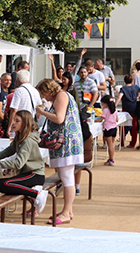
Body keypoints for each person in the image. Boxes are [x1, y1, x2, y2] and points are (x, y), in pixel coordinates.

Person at [0, 110, 48, 214]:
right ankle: (34, 192)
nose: (13, 123)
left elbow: (18, 164)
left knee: (4, 184)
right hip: (27, 173)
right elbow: (9, 150)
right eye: (14, 120)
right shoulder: (20, 136)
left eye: (17, 121)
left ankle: (36, 193)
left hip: (34, 174)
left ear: (24, 123)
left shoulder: (27, 140)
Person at [35, 80, 84, 224]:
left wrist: (42, 112)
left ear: (49, 90)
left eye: (43, 93)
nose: (44, 97)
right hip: (67, 141)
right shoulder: (62, 95)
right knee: (67, 177)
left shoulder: (61, 96)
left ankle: (66, 212)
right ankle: (68, 211)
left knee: (67, 177)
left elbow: (59, 118)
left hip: (66, 142)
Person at [117, 74, 140, 148]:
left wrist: (114, 105)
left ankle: (122, 143)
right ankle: (132, 143)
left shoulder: (123, 88)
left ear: (124, 81)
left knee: (122, 126)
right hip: (134, 108)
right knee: (134, 126)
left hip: (125, 109)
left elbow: (119, 97)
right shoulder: (136, 87)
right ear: (132, 81)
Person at [101, 94, 118, 166]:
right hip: (114, 127)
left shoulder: (106, 110)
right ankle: (111, 158)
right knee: (112, 144)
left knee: (109, 145)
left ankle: (111, 159)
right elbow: (117, 119)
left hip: (108, 128)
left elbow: (101, 119)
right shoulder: (115, 110)